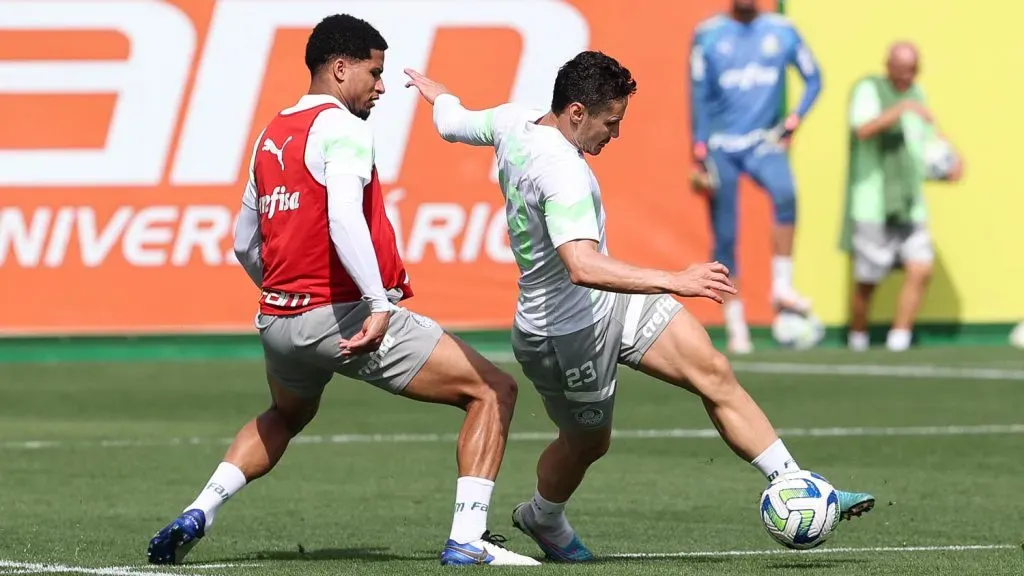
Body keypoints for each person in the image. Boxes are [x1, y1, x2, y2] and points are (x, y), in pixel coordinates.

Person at [405, 50, 874, 563]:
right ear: (578, 112)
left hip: (608, 302)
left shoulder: (514, 118)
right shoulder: (560, 169)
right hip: (563, 330)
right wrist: (677, 279)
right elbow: (582, 265)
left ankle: (797, 486)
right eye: (612, 122)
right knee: (588, 442)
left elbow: (452, 122)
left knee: (712, 370)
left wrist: (438, 94)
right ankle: (541, 514)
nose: (616, 134)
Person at [146, 14, 539, 567]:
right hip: (343, 317)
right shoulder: (345, 129)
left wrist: (285, 296)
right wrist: (378, 303)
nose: (381, 87)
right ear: (339, 68)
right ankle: (468, 540)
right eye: (374, 73)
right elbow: (343, 219)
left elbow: (242, 243)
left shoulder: (271, 133)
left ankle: (200, 510)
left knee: (286, 415)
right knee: (493, 391)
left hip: (279, 322)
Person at [689, 0, 822, 353]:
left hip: (763, 141)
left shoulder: (782, 30)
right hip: (721, 145)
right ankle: (736, 324)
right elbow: (699, 94)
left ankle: (782, 286)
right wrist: (699, 147)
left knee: (786, 193)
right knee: (726, 234)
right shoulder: (708, 35)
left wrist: (793, 120)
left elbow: (814, 78)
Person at [839, 42, 963, 352]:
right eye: (903, 69)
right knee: (868, 282)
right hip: (873, 204)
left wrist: (950, 161)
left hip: (911, 204)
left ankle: (899, 338)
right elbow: (862, 130)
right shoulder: (869, 89)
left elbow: (924, 144)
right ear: (889, 65)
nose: (909, 76)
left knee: (921, 268)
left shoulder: (917, 95)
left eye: (914, 69)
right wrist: (900, 109)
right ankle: (857, 336)